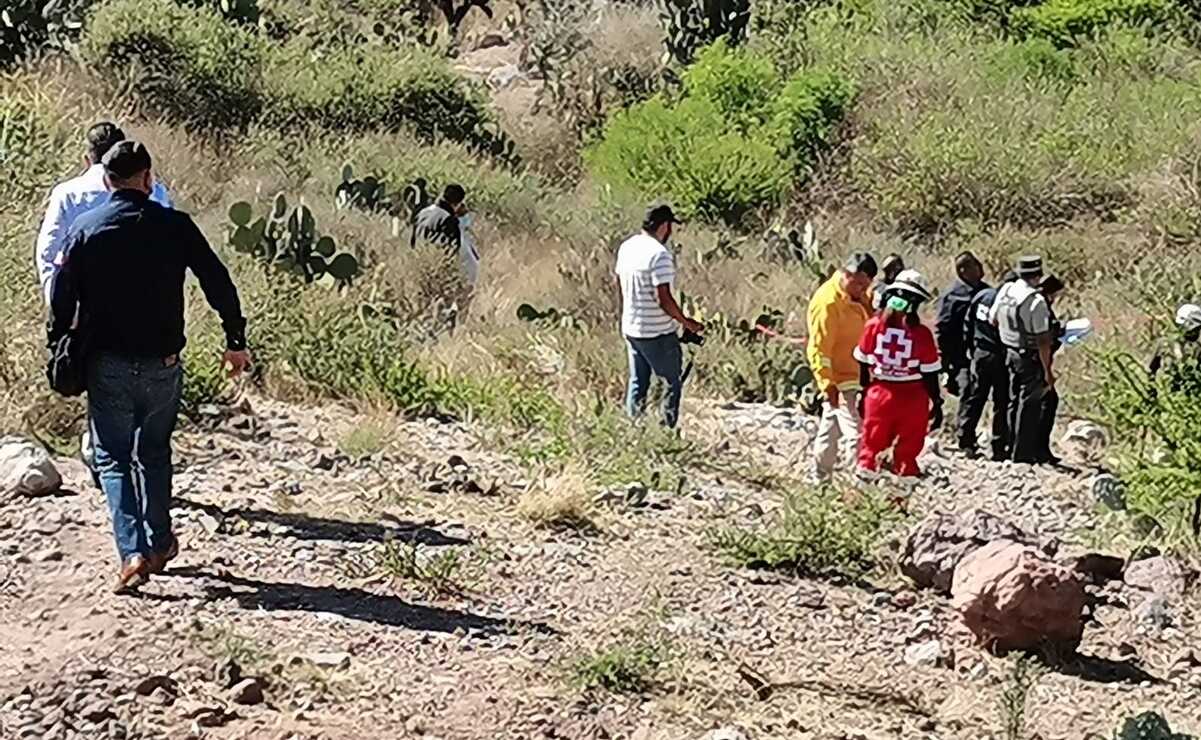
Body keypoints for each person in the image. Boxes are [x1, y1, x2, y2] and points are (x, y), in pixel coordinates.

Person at [48, 141, 250, 594]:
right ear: (148, 178)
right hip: (164, 363)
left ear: (107, 180)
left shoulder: (85, 229)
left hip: (107, 365)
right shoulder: (175, 226)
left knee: (112, 458)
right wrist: (234, 340)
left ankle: (132, 553)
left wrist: (59, 345)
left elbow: (61, 298)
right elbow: (217, 280)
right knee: (154, 452)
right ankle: (159, 544)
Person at [36, 121, 173, 304]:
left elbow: (48, 252)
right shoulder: (156, 191)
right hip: (145, 302)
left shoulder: (66, 194)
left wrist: (57, 304)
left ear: (87, 159)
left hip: (86, 305)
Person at [615, 204, 703, 428]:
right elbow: (663, 298)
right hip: (657, 332)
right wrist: (686, 322)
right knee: (671, 383)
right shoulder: (659, 255)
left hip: (631, 327)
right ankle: (666, 431)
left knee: (638, 381)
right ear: (664, 226)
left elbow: (621, 285)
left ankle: (634, 428)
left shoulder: (627, 247)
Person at [855, 269, 942, 479]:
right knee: (907, 451)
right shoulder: (922, 334)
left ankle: (864, 487)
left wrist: (862, 391)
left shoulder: (873, 326)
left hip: (878, 395)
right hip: (913, 398)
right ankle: (902, 490)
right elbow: (930, 374)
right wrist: (937, 402)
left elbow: (862, 361)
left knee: (871, 447)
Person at [807, 252, 877, 483]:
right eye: (858, 284)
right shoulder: (828, 303)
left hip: (859, 374)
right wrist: (827, 383)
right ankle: (858, 484)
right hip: (842, 380)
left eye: (866, 285)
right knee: (856, 434)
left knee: (830, 429)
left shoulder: (858, 297)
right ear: (846, 274)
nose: (862, 290)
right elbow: (819, 348)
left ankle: (820, 480)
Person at [990, 256, 1054, 464]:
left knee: (1013, 401)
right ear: (1038, 276)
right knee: (1029, 406)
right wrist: (1048, 371)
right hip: (1029, 356)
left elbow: (992, 319)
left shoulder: (1007, 290)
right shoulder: (1036, 301)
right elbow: (1043, 341)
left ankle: (1010, 446)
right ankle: (1023, 456)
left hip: (1010, 352)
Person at [957, 271, 1015, 460]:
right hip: (1000, 355)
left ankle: (965, 440)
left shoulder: (982, 296)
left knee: (975, 397)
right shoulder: (1009, 304)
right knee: (1002, 401)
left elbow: (967, 324)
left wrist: (970, 349)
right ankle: (998, 446)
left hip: (980, 354)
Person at [936, 251, 987, 396]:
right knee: (967, 392)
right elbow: (943, 328)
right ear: (963, 270)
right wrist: (945, 361)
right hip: (961, 356)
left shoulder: (986, 291)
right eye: (974, 264)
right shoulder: (952, 296)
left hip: (985, 352)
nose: (980, 267)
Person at [1033, 274, 1066, 465]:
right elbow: (1043, 339)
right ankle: (1040, 450)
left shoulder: (1037, 305)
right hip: (1039, 362)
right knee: (1047, 403)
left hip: (1037, 360)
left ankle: (1038, 448)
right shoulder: (1040, 307)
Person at [1149, 303, 1201, 391]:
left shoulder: (1197, 346)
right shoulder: (1165, 343)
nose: (1196, 331)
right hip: (1172, 391)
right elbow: (1151, 370)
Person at [411, 183, 466, 254]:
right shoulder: (448, 219)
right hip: (434, 258)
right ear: (456, 204)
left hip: (416, 256)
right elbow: (453, 248)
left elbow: (412, 240)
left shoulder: (423, 212)